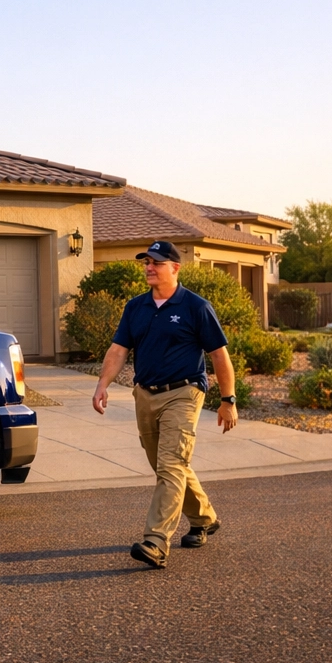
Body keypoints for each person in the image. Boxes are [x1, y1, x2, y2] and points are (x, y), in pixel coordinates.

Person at [91, 241, 236, 569]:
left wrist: (228, 400)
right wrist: (102, 384)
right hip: (145, 393)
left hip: (184, 393)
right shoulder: (136, 307)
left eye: (156, 262)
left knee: (170, 465)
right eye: (146, 262)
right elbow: (118, 350)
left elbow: (219, 356)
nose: (149, 267)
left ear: (175, 268)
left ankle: (156, 541)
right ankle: (204, 519)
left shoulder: (195, 307)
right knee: (168, 465)